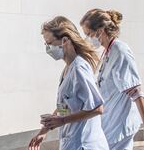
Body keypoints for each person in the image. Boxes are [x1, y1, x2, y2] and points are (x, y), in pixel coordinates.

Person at [80, 9, 144, 150]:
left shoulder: (120, 51)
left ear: (100, 31)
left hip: (119, 128)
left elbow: (137, 93)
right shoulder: (108, 51)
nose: (87, 39)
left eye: (89, 34)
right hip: (110, 125)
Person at [28, 16, 108, 150]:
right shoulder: (68, 68)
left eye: (49, 43)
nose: (47, 48)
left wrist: (62, 121)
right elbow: (66, 106)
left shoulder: (78, 69)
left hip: (85, 144)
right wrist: (45, 129)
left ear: (64, 40)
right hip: (72, 142)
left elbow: (97, 108)